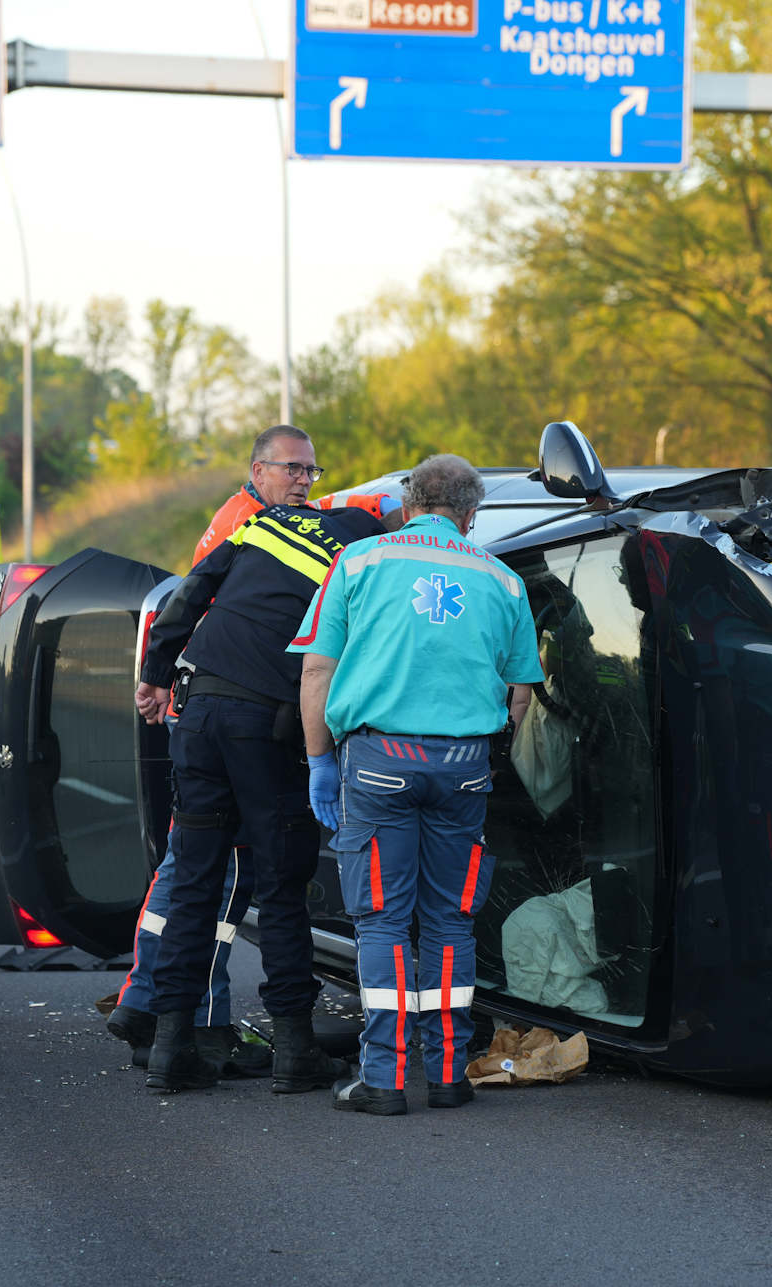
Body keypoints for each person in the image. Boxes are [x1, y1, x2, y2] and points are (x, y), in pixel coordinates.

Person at [107, 432, 398, 1076]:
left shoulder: (259, 529)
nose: (304, 479)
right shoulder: (363, 553)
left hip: (200, 714)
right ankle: (295, 1051)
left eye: (310, 470)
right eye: (295, 468)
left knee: (195, 884)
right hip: (264, 727)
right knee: (282, 886)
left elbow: (186, 598)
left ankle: (169, 1050)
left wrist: (155, 672)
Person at [290, 454, 542, 1115]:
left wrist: (319, 759)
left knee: (382, 923)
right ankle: (449, 1073)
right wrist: (489, 756)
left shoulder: (360, 563)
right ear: (470, 513)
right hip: (463, 767)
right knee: (450, 922)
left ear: (408, 503)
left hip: (377, 761)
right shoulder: (503, 580)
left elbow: (317, 673)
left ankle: (386, 1079)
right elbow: (520, 695)